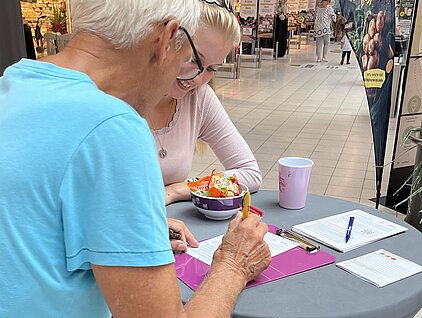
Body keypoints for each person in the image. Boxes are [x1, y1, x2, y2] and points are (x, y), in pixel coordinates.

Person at [0, 0, 272, 317]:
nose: (191, 82)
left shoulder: (14, 83)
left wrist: (130, 227)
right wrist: (233, 263)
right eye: (187, 61)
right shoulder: (114, 126)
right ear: (166, 40)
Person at [147, 0, 262, 206]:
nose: (198, 78)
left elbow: (250, 174)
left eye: (212, 69)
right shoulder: (121, 99)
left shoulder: (198, 98)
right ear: (168, 41)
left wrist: (179, 189)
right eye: (193, 59)